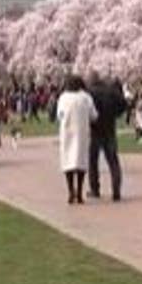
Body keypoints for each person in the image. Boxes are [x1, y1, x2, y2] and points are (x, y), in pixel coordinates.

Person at [57, 75, 98, 205]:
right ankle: (79, 193)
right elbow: (94, 115)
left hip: (67, 132)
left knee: (68, 162)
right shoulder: (86, 97)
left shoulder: (63, 97)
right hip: (82, 133)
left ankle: (70, 191)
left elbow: (59, 115)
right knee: (81, 163)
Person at [87, 73, 127, 201]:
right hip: (109, 127)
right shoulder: (112, 91)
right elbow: (123, 104)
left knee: (93, 161)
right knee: (113, 160)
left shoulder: (90, 93)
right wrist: (115, 114)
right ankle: (116, 190)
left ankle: (95, 189)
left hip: (95, 129)